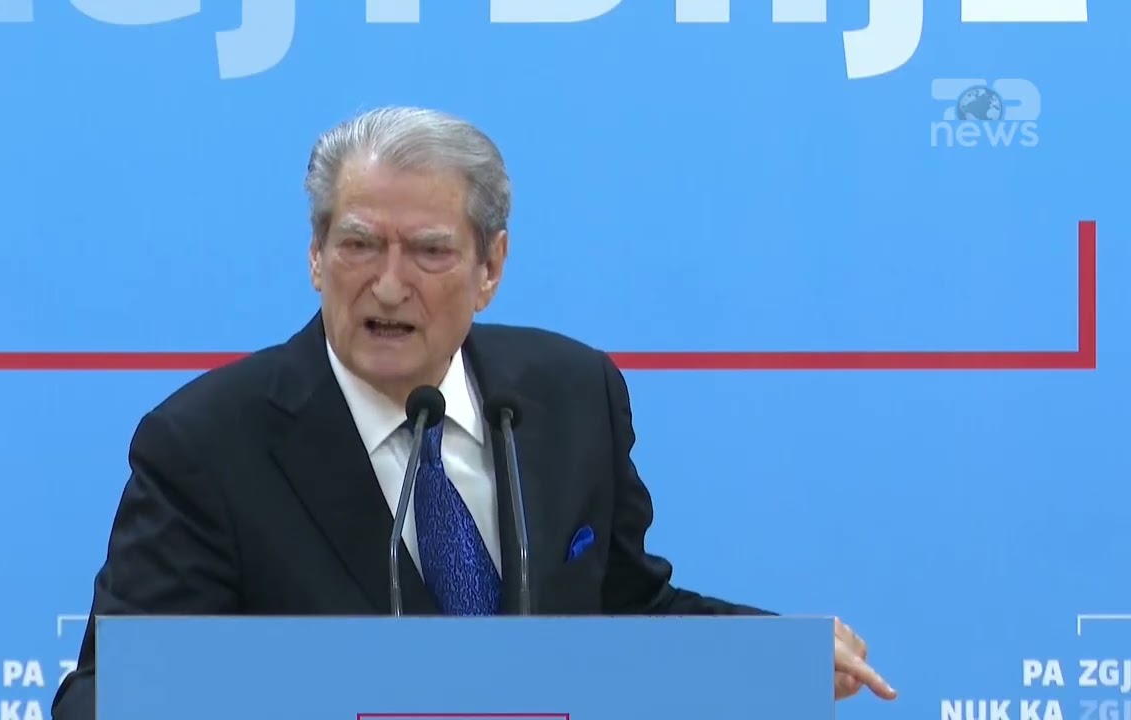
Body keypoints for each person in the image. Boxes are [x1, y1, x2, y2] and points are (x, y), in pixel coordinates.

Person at [51, 106, 897, 719]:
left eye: (429, 252)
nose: (388, 285)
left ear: (491, 267)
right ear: (315, 257)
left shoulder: (570, 395)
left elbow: (621, 614)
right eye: (358, 245)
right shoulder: (208, 442)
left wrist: (766, 654)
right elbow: (103, 697)